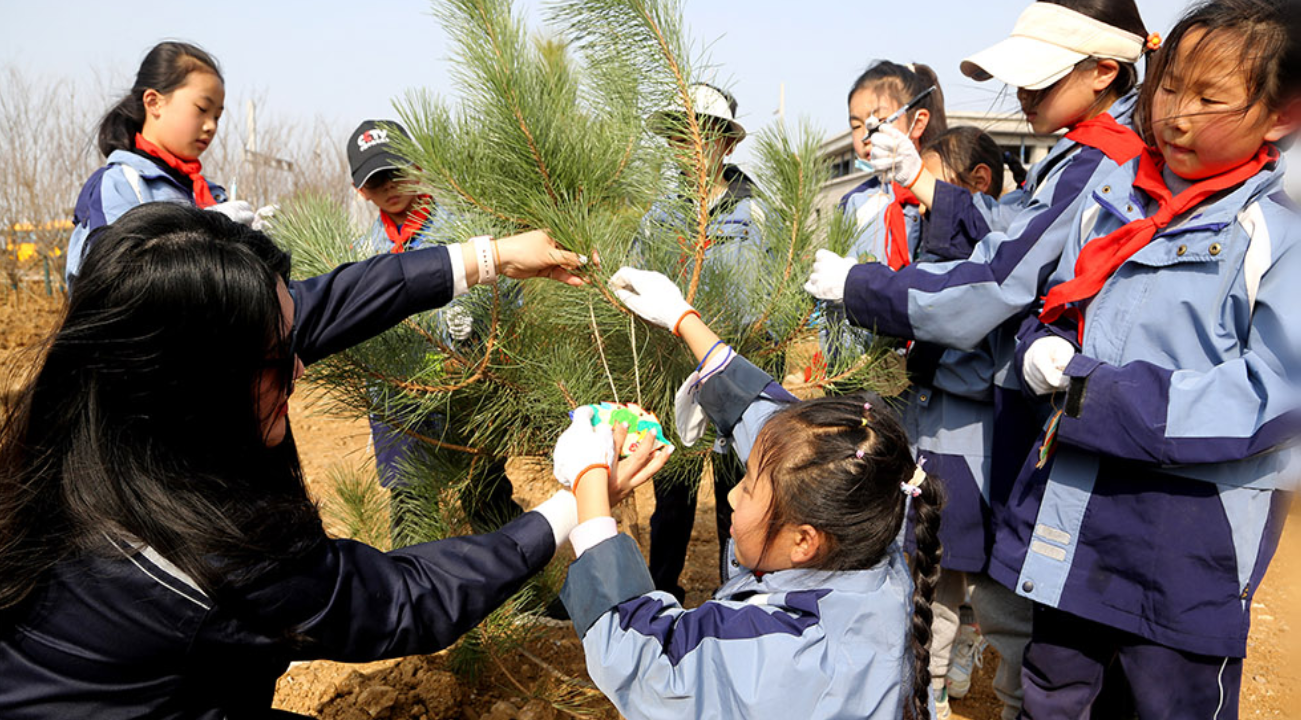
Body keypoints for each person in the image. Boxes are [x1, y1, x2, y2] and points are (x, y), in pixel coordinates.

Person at [0, 202, 592, 718]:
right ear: (198, 387)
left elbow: (319, 308)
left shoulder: (98, 411)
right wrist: (577, 500)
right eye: (281, 357)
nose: (301, 368)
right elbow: (404, 600)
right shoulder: (211, 560)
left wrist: (491, 256)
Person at [804, 3, 1151, 717]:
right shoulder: (1073, 153)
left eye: (1037, 79)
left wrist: (861, 287)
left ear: (1102, 71)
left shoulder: (1100, 159)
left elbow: (999, 277)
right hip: (1008, 399)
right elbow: (1011, 233)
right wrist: (931, 188)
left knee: (1017, 602)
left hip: (1038, 406)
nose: (1020, 97)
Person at [1009, 1, 1301, 715]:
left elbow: (1273, 392)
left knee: (1167, 692)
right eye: (1169, 87)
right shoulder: (1113, 199)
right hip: (1074, 504)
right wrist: (1037, 348)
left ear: (1279, 116)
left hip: (1191, 530)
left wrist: (1090, 395)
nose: (1175, 115)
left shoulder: (1273, 232)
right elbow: (1055, 306)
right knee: (1053, 678)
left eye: (1210, 100)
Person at [553, 265, 944, 720]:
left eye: (751, 486)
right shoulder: (867, 530)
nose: (734, 496)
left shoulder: (785, 653)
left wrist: (589, 482)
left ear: (804, 540)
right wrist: (683, 319)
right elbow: (790, 436)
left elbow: (644, 658)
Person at [346, 119, 521, 540]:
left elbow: (509, 297)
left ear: (418, 165)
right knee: (411, 503)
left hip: (465, 390)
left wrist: (480, 334)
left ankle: (524, 593)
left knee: (486, 495)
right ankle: (414, 599)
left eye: (396, 171)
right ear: (361, 191)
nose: (390, 186)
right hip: (396, 403)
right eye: (377, 180)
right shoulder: (361, 254)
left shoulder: (463, 231)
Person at [641, 83, 761, 601]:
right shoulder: (658, 217)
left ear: (727, 145)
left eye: (704, 134)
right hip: (675, 376)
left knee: (737, 498)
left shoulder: (754, 218)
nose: (690, 144)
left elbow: (764, 307)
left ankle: (737, 599)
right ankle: (661, 592)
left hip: (734, 375)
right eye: (680, 134)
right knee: (671, 497)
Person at [66, 41, 265, 284]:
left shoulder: (210, 193)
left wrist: (259, 246)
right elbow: (113, 283)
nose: (211, 126)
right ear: (153, 102)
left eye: (217, 116)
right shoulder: (120, 185)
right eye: (201, 109)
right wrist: (207, 235)